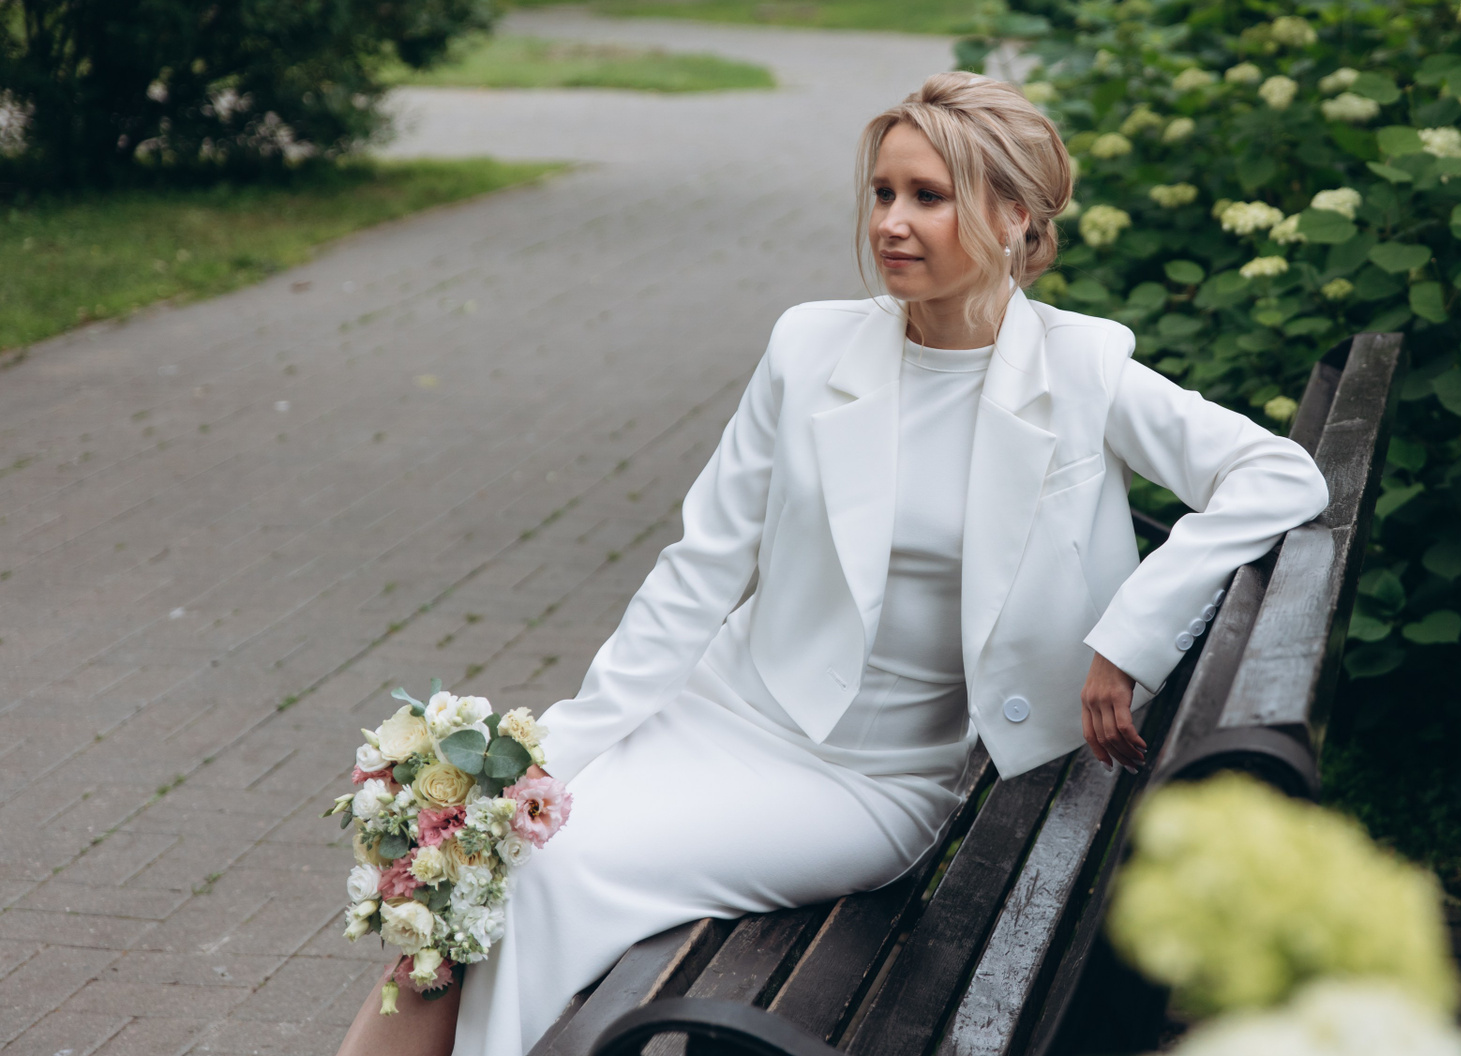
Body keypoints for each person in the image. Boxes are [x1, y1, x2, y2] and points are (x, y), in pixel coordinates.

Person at [335, 72, 1329, 1056]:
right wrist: (563, 747)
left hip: (869, 782)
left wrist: (1132, 631)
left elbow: (1277, 473)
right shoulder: (810, 347)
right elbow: (699, 569)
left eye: (928, 196)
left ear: (1015, 216)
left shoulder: (1082, 369)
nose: (891, 222)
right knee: (488, 848)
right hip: (719, 714)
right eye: (883, 192)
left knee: (550, 872)